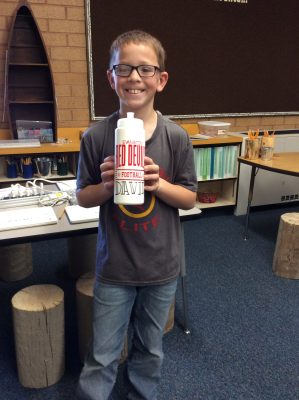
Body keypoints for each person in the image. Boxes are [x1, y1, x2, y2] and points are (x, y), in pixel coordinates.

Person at [76, 30, 197, 400]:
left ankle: (141, 394)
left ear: (160, 80)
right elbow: (83, 196)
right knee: (102, 353)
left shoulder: (176, 137)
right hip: (115, 269)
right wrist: (109, 187)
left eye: (145, 69)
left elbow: (189, 197)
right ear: (111, 77)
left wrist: (157, 184)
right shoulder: (96, 136)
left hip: (161, 268)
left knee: (150, 349)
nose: (134, 77)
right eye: (123, 68)